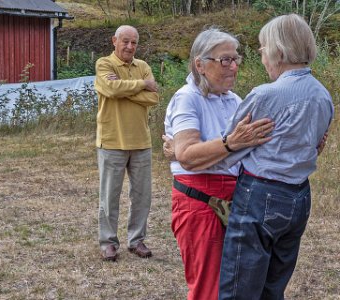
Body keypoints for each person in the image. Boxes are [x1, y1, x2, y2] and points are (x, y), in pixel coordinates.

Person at [216, 14, 334, 299]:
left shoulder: (265, 94)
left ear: (279, 51)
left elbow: (230, 147)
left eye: (262, 48)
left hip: (261, 194)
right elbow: (316, 144)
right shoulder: (323, 95)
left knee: (238, 289)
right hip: (299, 197)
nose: (261, 56)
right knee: (273, 287)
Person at [163, 28, 275, 300]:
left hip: (234, 198)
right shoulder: (187, 98)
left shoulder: (234, 100)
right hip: (200, 202)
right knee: (208, 289)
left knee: (236, 284)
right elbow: (189, 156)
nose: (234, 66)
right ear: (200, 64)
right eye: (225, 60)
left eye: (236, 59)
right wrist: (229, 143)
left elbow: (250, 144)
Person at [94, 25, 159, 262]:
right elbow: (110, 89)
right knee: (109, 196)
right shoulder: (104, 64)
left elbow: (154, 97)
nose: (130, 47)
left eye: (134, 43)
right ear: (114, 40)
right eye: (125, 41)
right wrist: (142, 85)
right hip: (112, 141)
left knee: (142, 196)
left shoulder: (143, 66)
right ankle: (108, 242)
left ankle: (136, 240)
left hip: (141, 142)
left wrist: (123, 89)